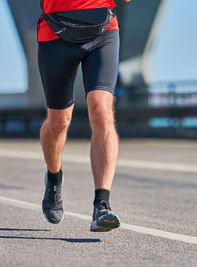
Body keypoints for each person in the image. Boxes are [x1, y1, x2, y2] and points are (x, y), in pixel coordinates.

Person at [37, 0, 130, 232]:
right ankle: (54, 178)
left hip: (102, 31)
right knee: (58, 122)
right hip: (55, 34)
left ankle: (102, 205)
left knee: (102, 110)